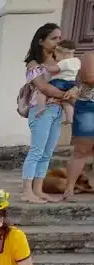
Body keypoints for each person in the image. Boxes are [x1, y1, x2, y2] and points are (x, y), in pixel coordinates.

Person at [21, 23, 69, 204]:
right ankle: (27, 191)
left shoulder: (59, 62)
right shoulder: (34, 64)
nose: (58, 42)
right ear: (41, 41)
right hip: (41, 110)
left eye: (59, 38)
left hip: (57, 109)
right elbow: (43, 87)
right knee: (36, 151)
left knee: (47, 153)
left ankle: (38, 190)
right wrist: (65, 94)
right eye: (53, 38)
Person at [63, 51, 94, 201]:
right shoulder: (90, 56)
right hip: (89, 106)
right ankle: (69, 188)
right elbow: (89, 77)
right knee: (82, 150)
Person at [36, 40, 80, 125]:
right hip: (71, 83)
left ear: (63, 53)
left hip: (60, 82)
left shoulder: (64, 62)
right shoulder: (77, 61)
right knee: (66, 101)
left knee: (41, 91)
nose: (55, 57)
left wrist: (45, 67)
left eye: (56, 54)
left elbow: (54, 69)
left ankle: (41, 107)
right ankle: (69, 118)